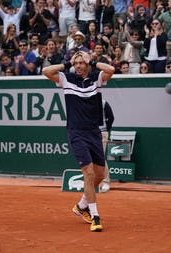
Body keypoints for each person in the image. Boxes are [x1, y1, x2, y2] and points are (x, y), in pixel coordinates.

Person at [42, 51, 115, 232]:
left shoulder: (96, 78)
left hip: (94, 132)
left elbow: (111, 69)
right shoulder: (66, 78)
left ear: (88, 63)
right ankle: (95, 216)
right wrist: (67, 64)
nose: (80, 66)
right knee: (89, 173)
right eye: (77, 63)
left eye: (83, 62)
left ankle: (81, 206)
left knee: (99, 175)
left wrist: (94, 61)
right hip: (76, 133)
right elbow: (46, 71)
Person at [99, 99, 114, 193]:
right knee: (88, 159)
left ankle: (106, 182)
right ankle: (92, 182)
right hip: (88, 133)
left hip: (101, 133)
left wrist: (105, 130)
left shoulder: (103, 103)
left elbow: (111, 117)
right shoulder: (84, 101)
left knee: (100, 158)